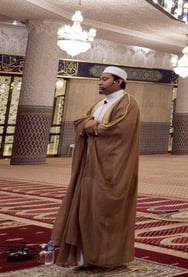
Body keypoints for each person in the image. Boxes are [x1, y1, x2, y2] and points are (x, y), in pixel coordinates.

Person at [51, 66, 140, 270]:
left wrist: (93, 126)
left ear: (118, 82)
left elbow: (119, 130)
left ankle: (107, 258)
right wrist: (89, 124)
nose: (99, 83)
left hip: (112, 168)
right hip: (89, 166)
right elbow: (85, 122)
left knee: (104, 210)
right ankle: (85, 257)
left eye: (104, 79)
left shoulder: (128, 103)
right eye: (100, 79)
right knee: (85, 207)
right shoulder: (99, 104)